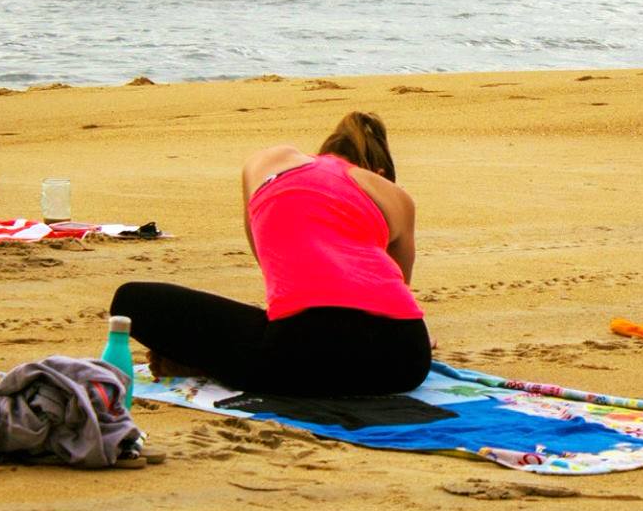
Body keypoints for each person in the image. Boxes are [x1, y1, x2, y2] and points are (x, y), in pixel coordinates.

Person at [110, 112, 430, 395]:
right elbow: (401, 288)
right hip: (405, 358)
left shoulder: (270, 160)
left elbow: (271, 266)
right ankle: (228, 364)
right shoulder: (394, 195)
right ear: (378, 171)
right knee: (286, 340)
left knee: (130, 300)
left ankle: (210, 365)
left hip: (295, 353)